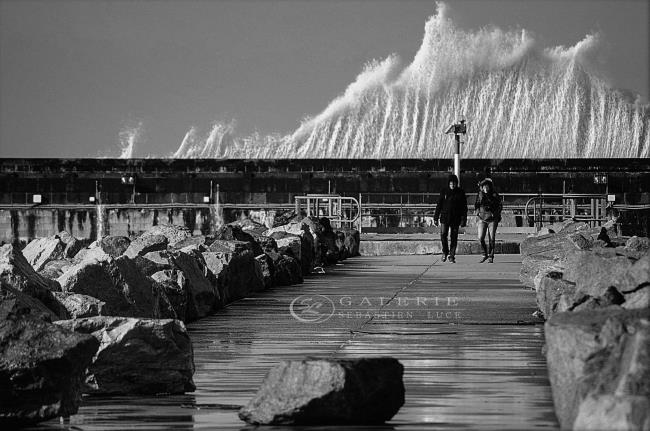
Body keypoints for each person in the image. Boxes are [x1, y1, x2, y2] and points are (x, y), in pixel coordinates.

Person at [434, 174, 467, 263]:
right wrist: (436, 217)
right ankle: (445, 251)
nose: (452, 185)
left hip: (456, 218)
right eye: (451, 183)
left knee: (454, 237)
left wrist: (464, 219)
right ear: (448, 183)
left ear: (456, 183)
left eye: (454, 183)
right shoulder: (444, 191)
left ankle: (452, 255)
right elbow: (439, 205)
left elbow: (464, 207)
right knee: (443, 235)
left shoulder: (461, 192)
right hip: (445, 217)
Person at [475, 178, 502, 263]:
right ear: (482, 188)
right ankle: (484, 254)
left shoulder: (494, 195)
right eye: (484, 187)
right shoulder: (480, 195)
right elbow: (476, 204)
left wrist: (495, 212)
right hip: (482, 218)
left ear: (490, 187)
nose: (485, 189)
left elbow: (499, 206)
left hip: (492, 219)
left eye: (487, 187)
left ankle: (491, 255)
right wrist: (477, 211)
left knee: (492, 238)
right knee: (480, 237)